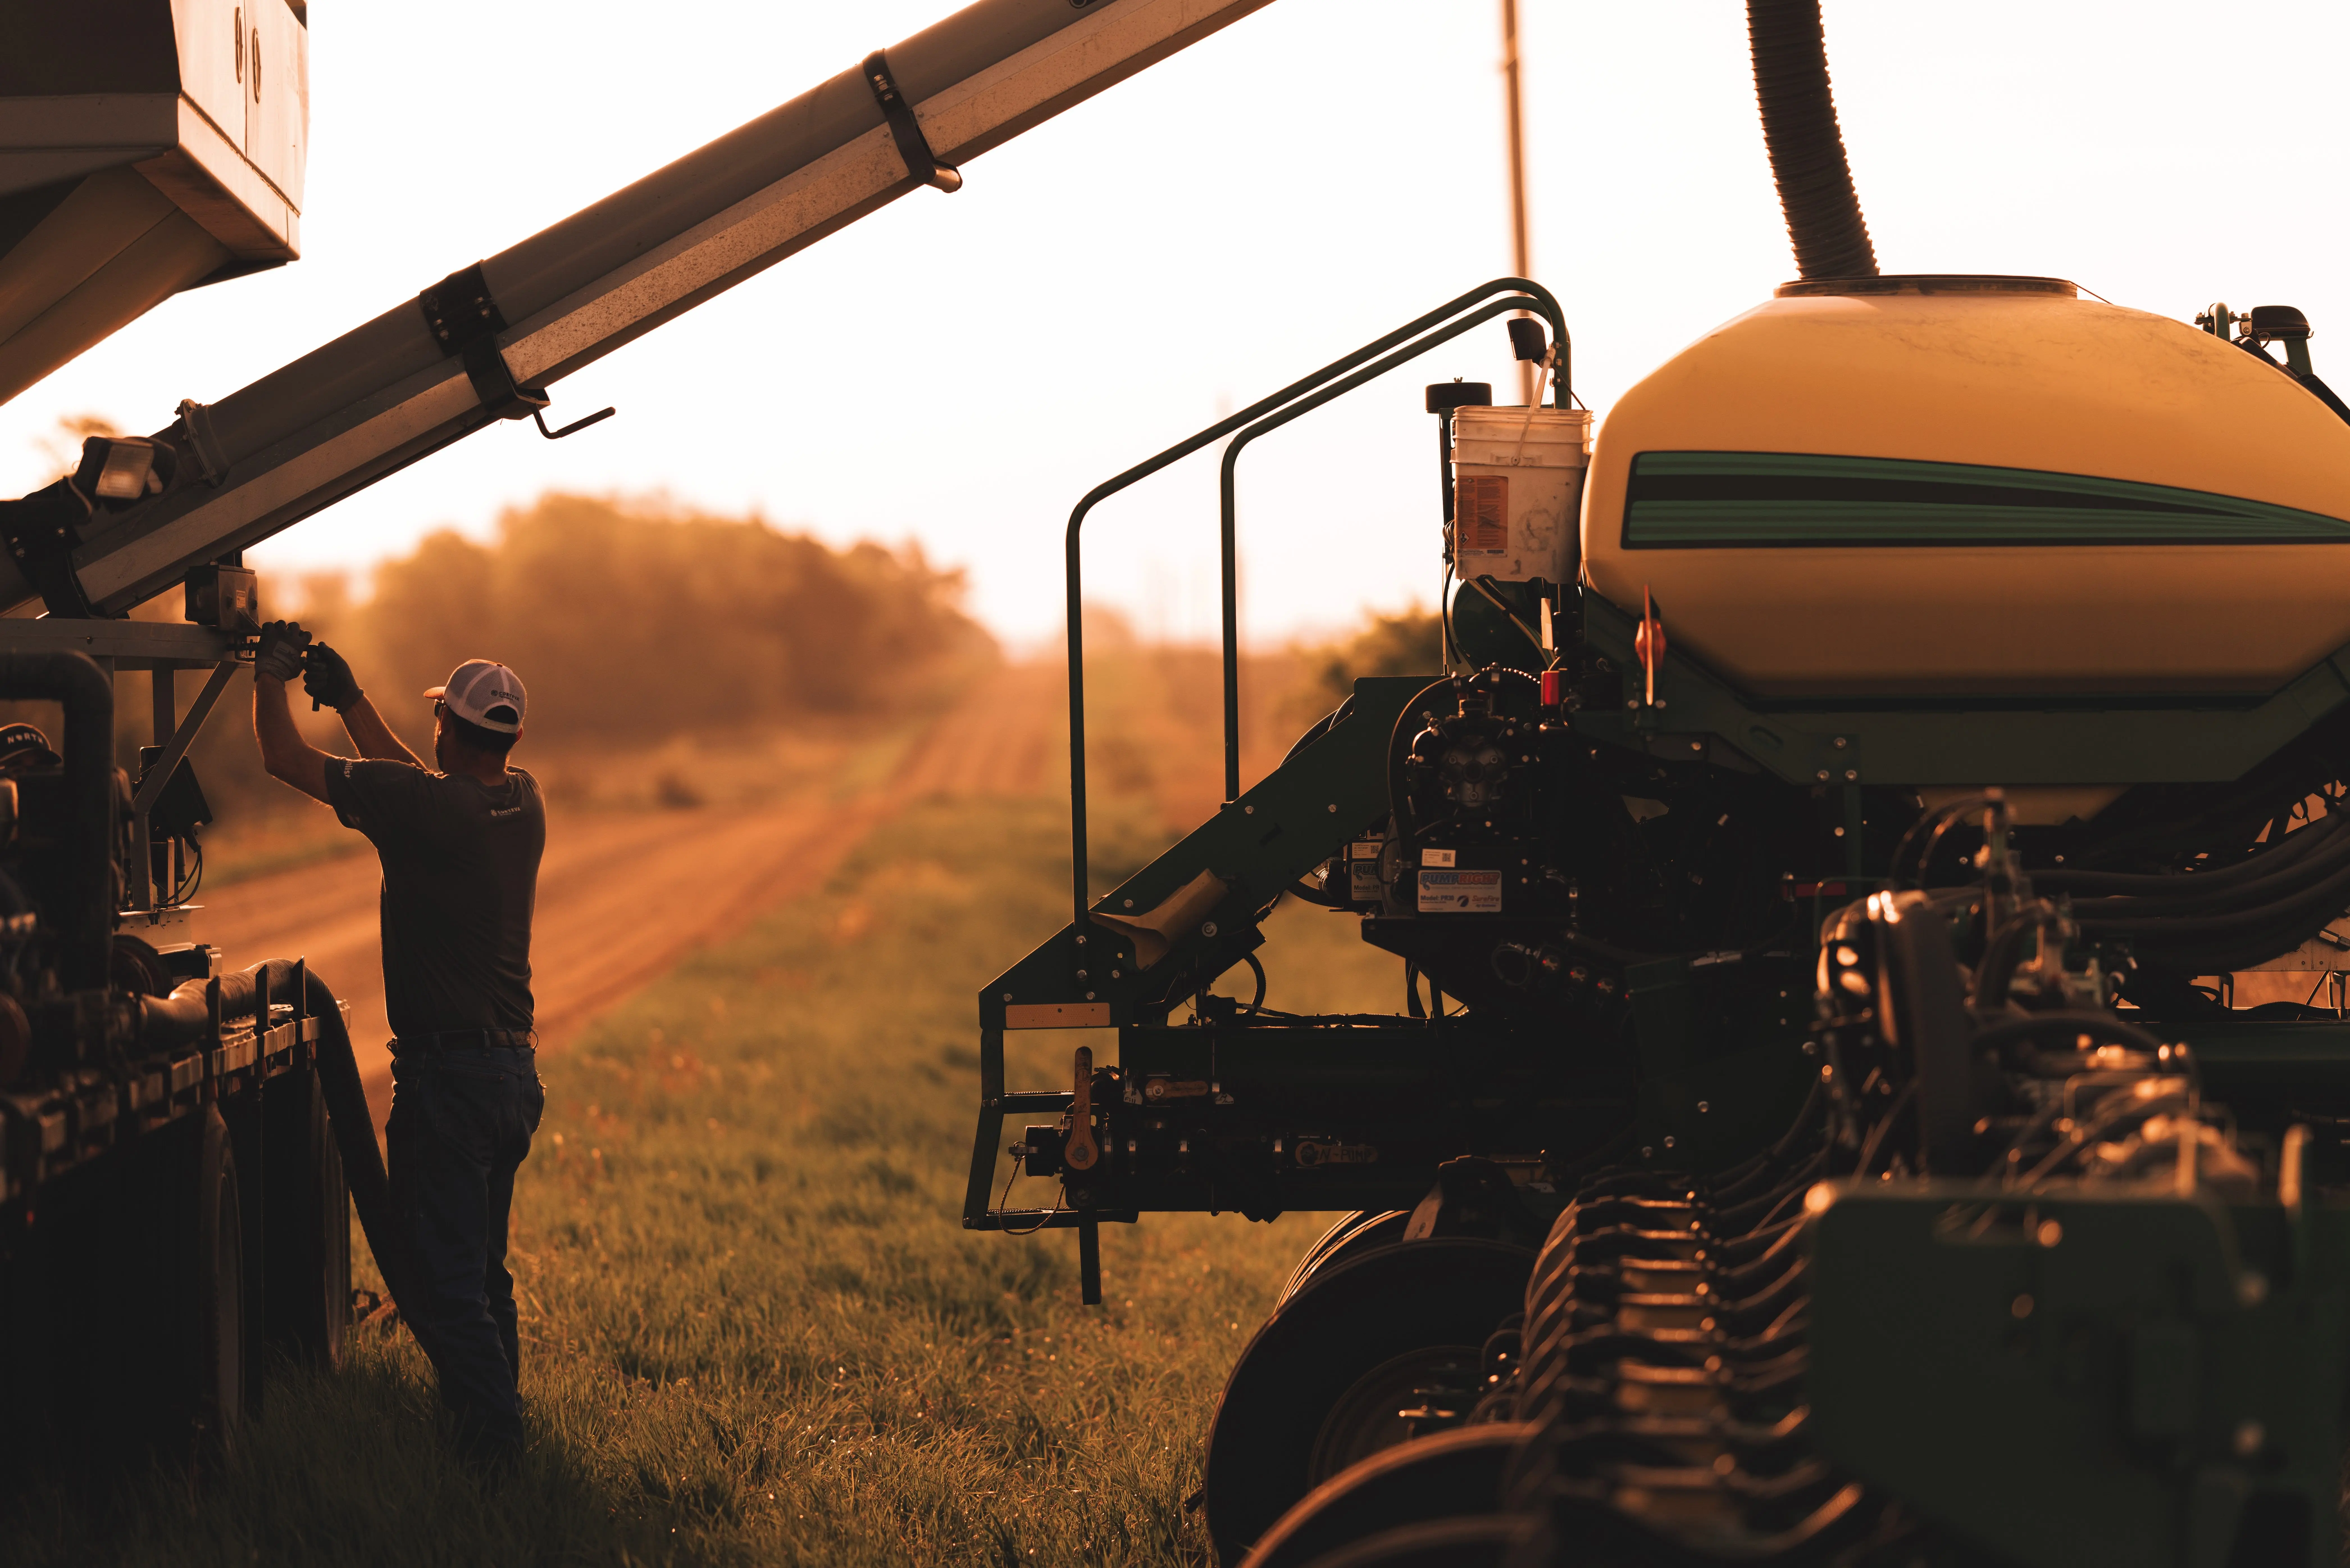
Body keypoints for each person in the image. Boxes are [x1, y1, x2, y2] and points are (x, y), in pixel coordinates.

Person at [249, 621, 547, 1467]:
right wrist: (350, 702)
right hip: (511, 1075)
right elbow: (423, 785)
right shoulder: (519, 799)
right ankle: (491, 1436)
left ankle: (495, 1454)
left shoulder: (429, 807)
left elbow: (283, 759)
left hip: (449, 1083)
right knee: (482, 1277)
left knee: (441, 1284)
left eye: (439, 723)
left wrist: (266, 677)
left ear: (449, 727)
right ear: (511, 736)